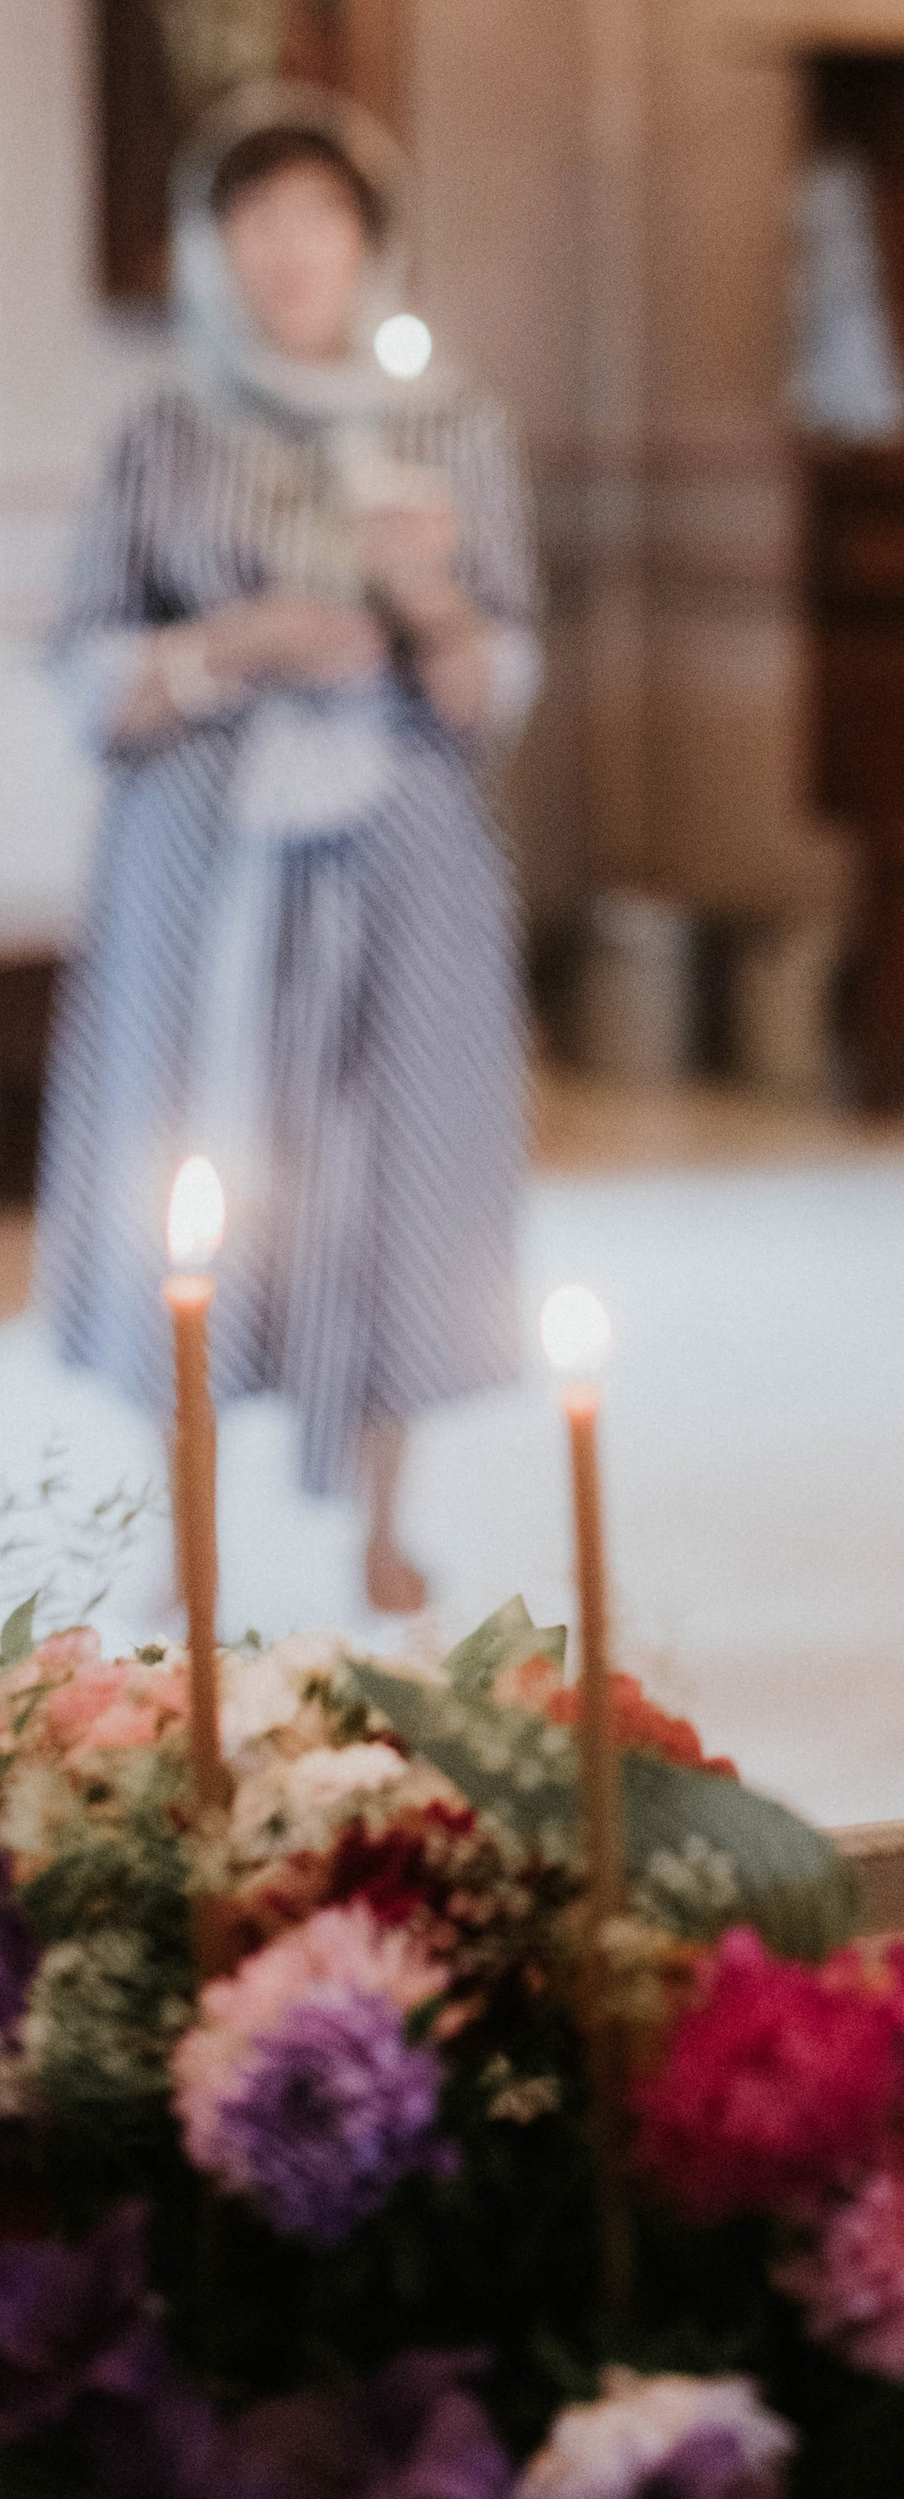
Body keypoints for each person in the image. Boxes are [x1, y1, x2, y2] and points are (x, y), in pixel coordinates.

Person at [38, 85, 541, 1619]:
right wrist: (235, 643)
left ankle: (387, 1519)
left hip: (402, 863)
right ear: (216, 245)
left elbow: (495, 692)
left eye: (320, 217)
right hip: (200, 867)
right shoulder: (164, 430)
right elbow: (83, 671)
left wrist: (429, 598)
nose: (289, 250)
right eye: (256, 219)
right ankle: (176, 1524)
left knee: (397, 1175)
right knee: (184, 1168)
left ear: (368, 241)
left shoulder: (454, 432)